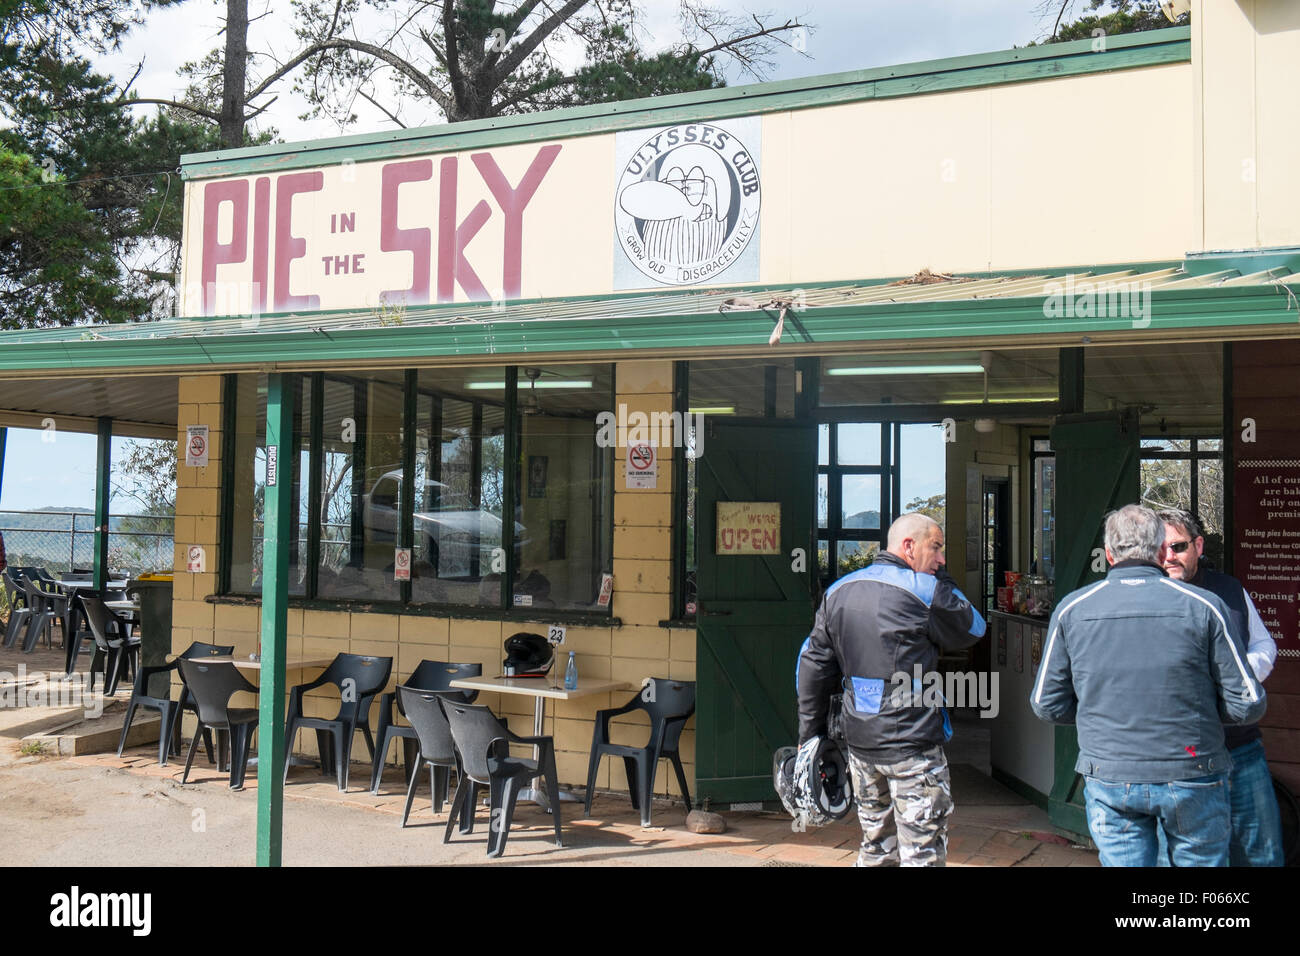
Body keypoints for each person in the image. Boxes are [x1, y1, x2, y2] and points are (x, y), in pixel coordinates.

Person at [1031, 504, 1267, 867]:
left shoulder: (1072, 608)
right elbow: (1247, 703)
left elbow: (1047, 704)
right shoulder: (1206, 606)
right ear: (1160, 551)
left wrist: (1102, 714)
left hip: (1110, 771)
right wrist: (1201, 711)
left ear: (1109, 554)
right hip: (1192, 768)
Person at [797, 512, 986, 866]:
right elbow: (973, 627)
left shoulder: (838, 591)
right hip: (913, 748)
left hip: (861, 746)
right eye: (937, 548)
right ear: (908, 546)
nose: (942, 558)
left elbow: (811, 666)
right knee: (922, 853)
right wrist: (942, 579)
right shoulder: (924, 590)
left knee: (875, 846)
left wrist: (810, 735)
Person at [1158, 508, 1283, 867]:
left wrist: (1233, 679)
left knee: (1262, 854)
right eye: (1161, 547)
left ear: (1198, 546)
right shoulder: (1148, 598)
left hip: (1240, 748)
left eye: (1179, 546)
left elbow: (1264, 647)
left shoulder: (1229, 590)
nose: (1169, 556)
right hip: (1178, 759)